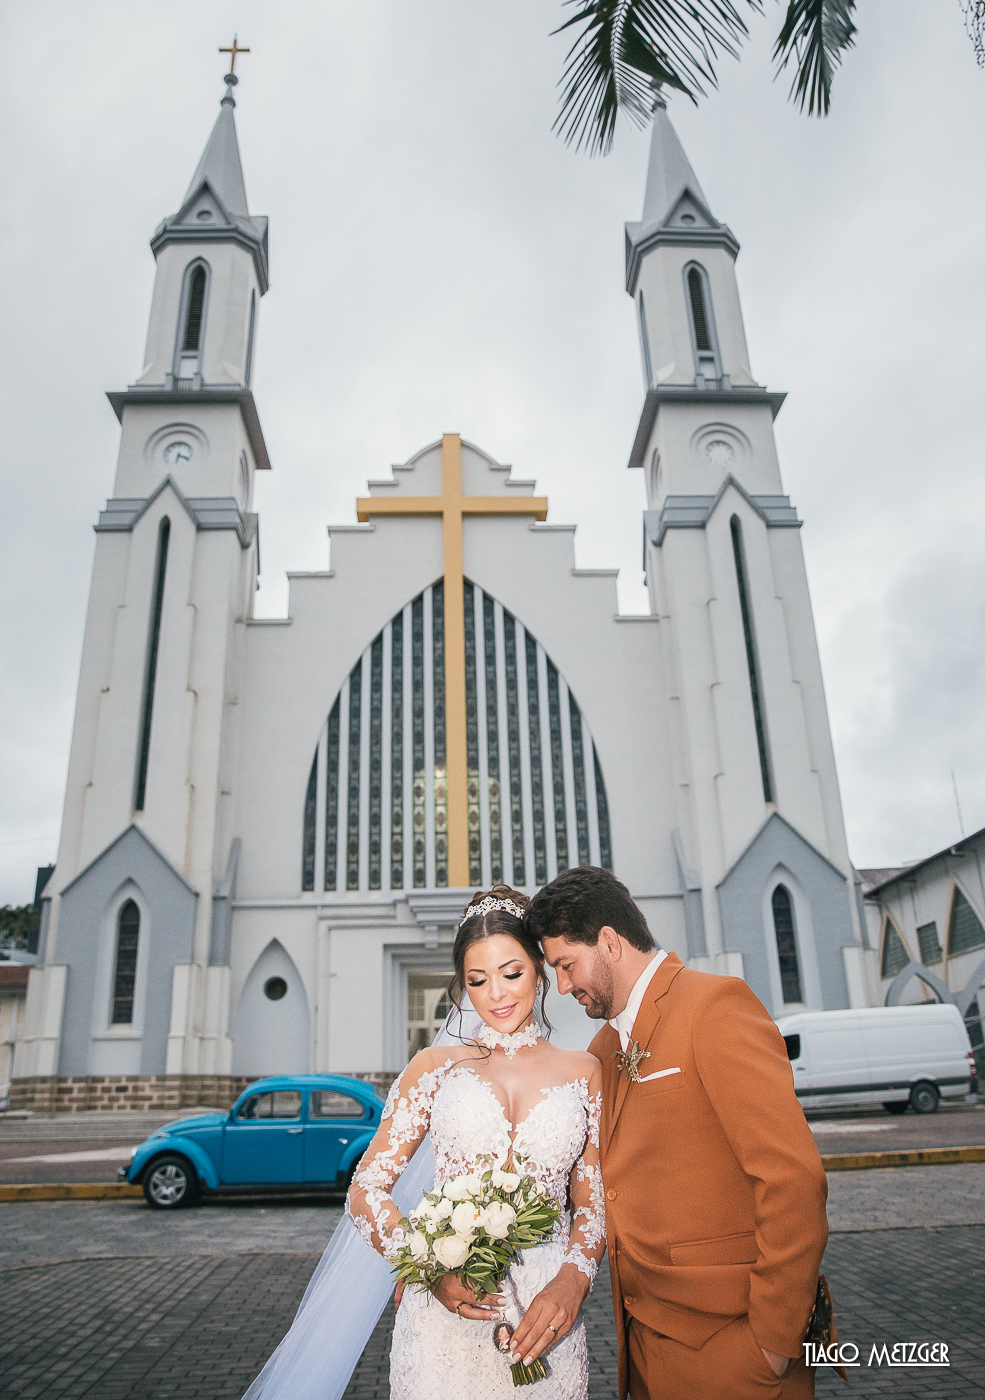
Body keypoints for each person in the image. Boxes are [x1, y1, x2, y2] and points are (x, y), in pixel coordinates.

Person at [526, 865, 829, 1400]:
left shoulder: (715, 1006)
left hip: (733, 1347)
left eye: (566, 966)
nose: (564, 986)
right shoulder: (602, 1050)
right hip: (642, 1347)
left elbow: (793, 1179)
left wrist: (773, 1343)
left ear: (610, 942)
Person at [347, 886, 606, 1400]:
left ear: (539, 968)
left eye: (511, 973)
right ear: (462, 986)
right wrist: (428, 1268)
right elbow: (366, 1189)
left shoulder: (584, 1072)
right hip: (446, 1318)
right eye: (478, 980)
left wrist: (573, 1281)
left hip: (546, 1313)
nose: (497, 994)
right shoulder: (432, 1069)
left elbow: (591, 1202)